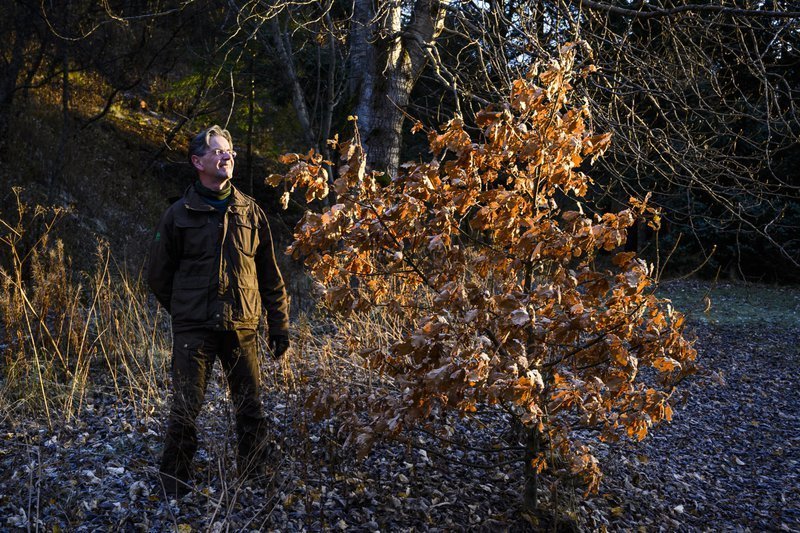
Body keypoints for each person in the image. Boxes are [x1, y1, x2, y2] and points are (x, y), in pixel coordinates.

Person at [148, 125, 290, 498]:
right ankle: (174, 483)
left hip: (242, 326)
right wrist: (185, 310)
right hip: (194, 329)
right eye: (217, 152)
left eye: (229, 152)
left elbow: (270, 275)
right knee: (185, 407)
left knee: (251, 407)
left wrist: (279, 325)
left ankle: (256, 476)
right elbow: (158, 276)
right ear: (197, 162)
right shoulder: (177, 214)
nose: (226, 157)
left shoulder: (251, 213)